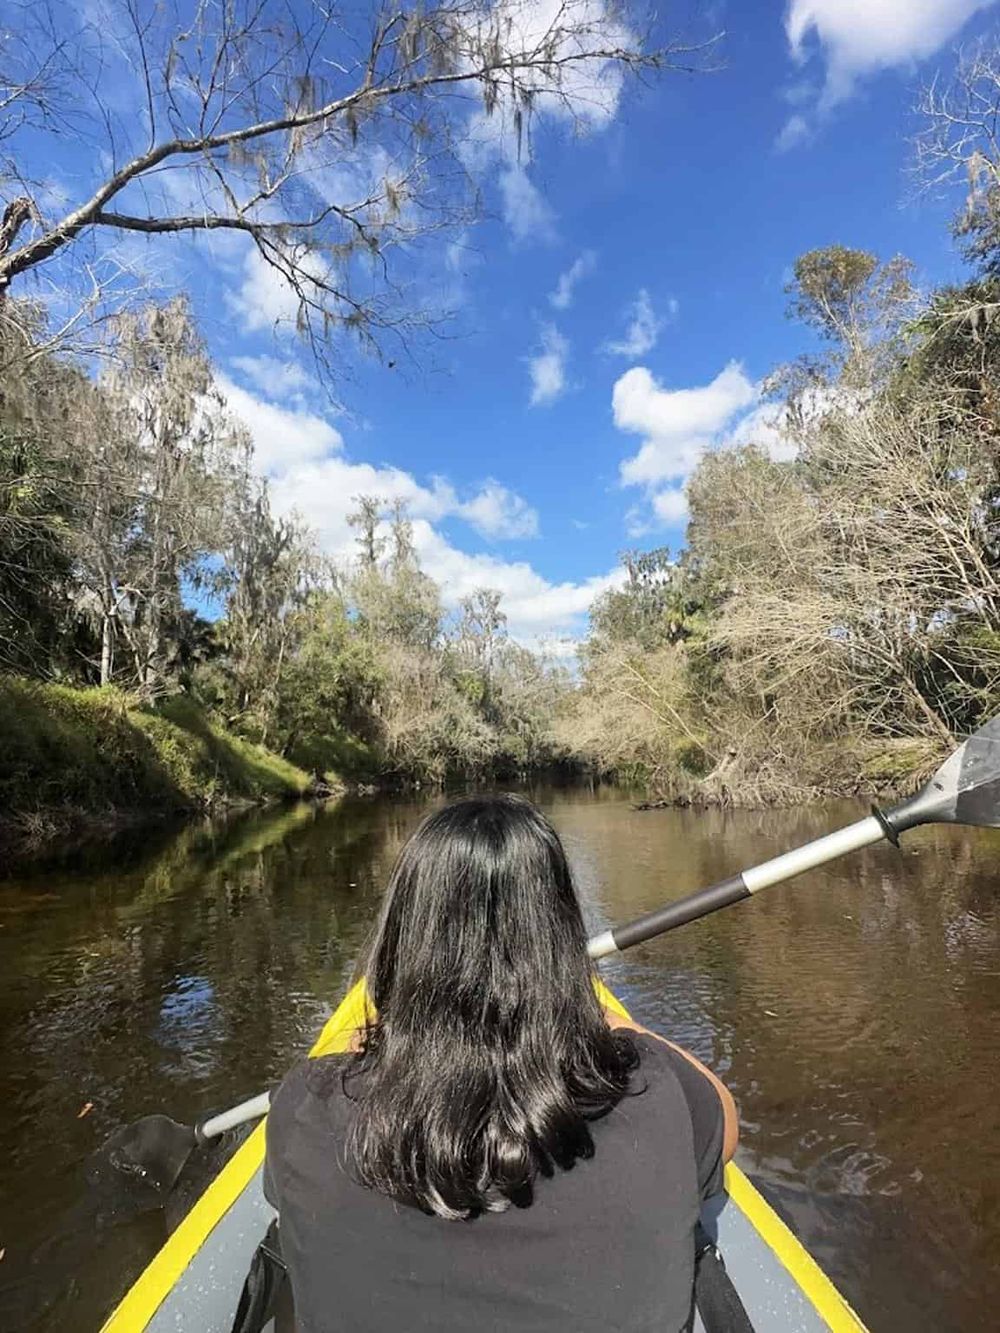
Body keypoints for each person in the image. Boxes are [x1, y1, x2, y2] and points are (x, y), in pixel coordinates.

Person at [264, 794, 738, 1332]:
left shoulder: (305, 1104)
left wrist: (373, 1044)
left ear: (403, 938)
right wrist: (605, 1017)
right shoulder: (660, 1092)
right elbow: (725, 1119)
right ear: (558, 939)